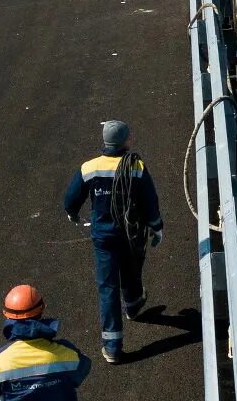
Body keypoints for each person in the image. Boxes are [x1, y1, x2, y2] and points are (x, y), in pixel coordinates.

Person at [62, 120, 163, 364]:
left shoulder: (89, 168)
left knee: (107, 288)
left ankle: (112, 347)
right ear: (125, 140)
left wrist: (73, 213)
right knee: (131, 270)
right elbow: (150, 200)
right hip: (130, 233)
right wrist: (156, 226)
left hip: (104, 237)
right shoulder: (136, 166)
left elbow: (71, 199)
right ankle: (133, 305)